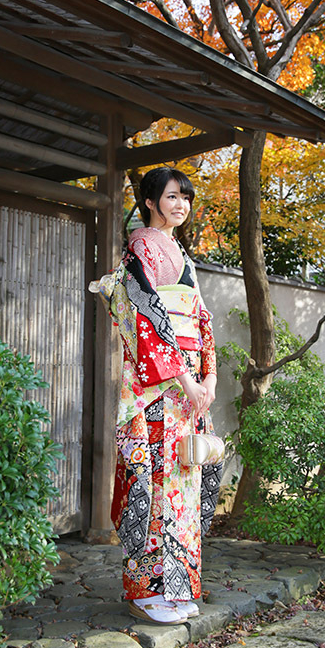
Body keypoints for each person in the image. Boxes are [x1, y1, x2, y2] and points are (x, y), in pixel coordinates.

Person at [93, 167, 221, 625]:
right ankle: (145, 592)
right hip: (159, 388)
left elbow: (200, 319)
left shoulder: (180, 252)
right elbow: (146, 318)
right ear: (150, 201)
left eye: (185, 198)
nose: (180, 205)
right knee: (153, 482)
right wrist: (186, 379)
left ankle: (178, 586)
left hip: (188, 388)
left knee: (183, 483)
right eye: (171, 197)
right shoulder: (141, 248)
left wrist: (209, 378)